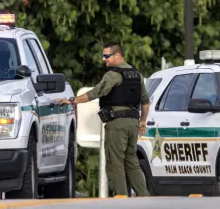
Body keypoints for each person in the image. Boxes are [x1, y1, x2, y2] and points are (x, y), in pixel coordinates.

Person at [56, 41, 150, 196]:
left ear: (118, 55)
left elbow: (94, 93)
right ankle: (144, 196)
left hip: (117, 123)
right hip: (133, 123)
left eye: (107, 56)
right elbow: (145, 100)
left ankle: (121, 198)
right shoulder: (136, 74)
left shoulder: (114, 74)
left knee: (115, 162)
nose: (104, 59)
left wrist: (72, 100)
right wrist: (142, 121)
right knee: (132, 162)